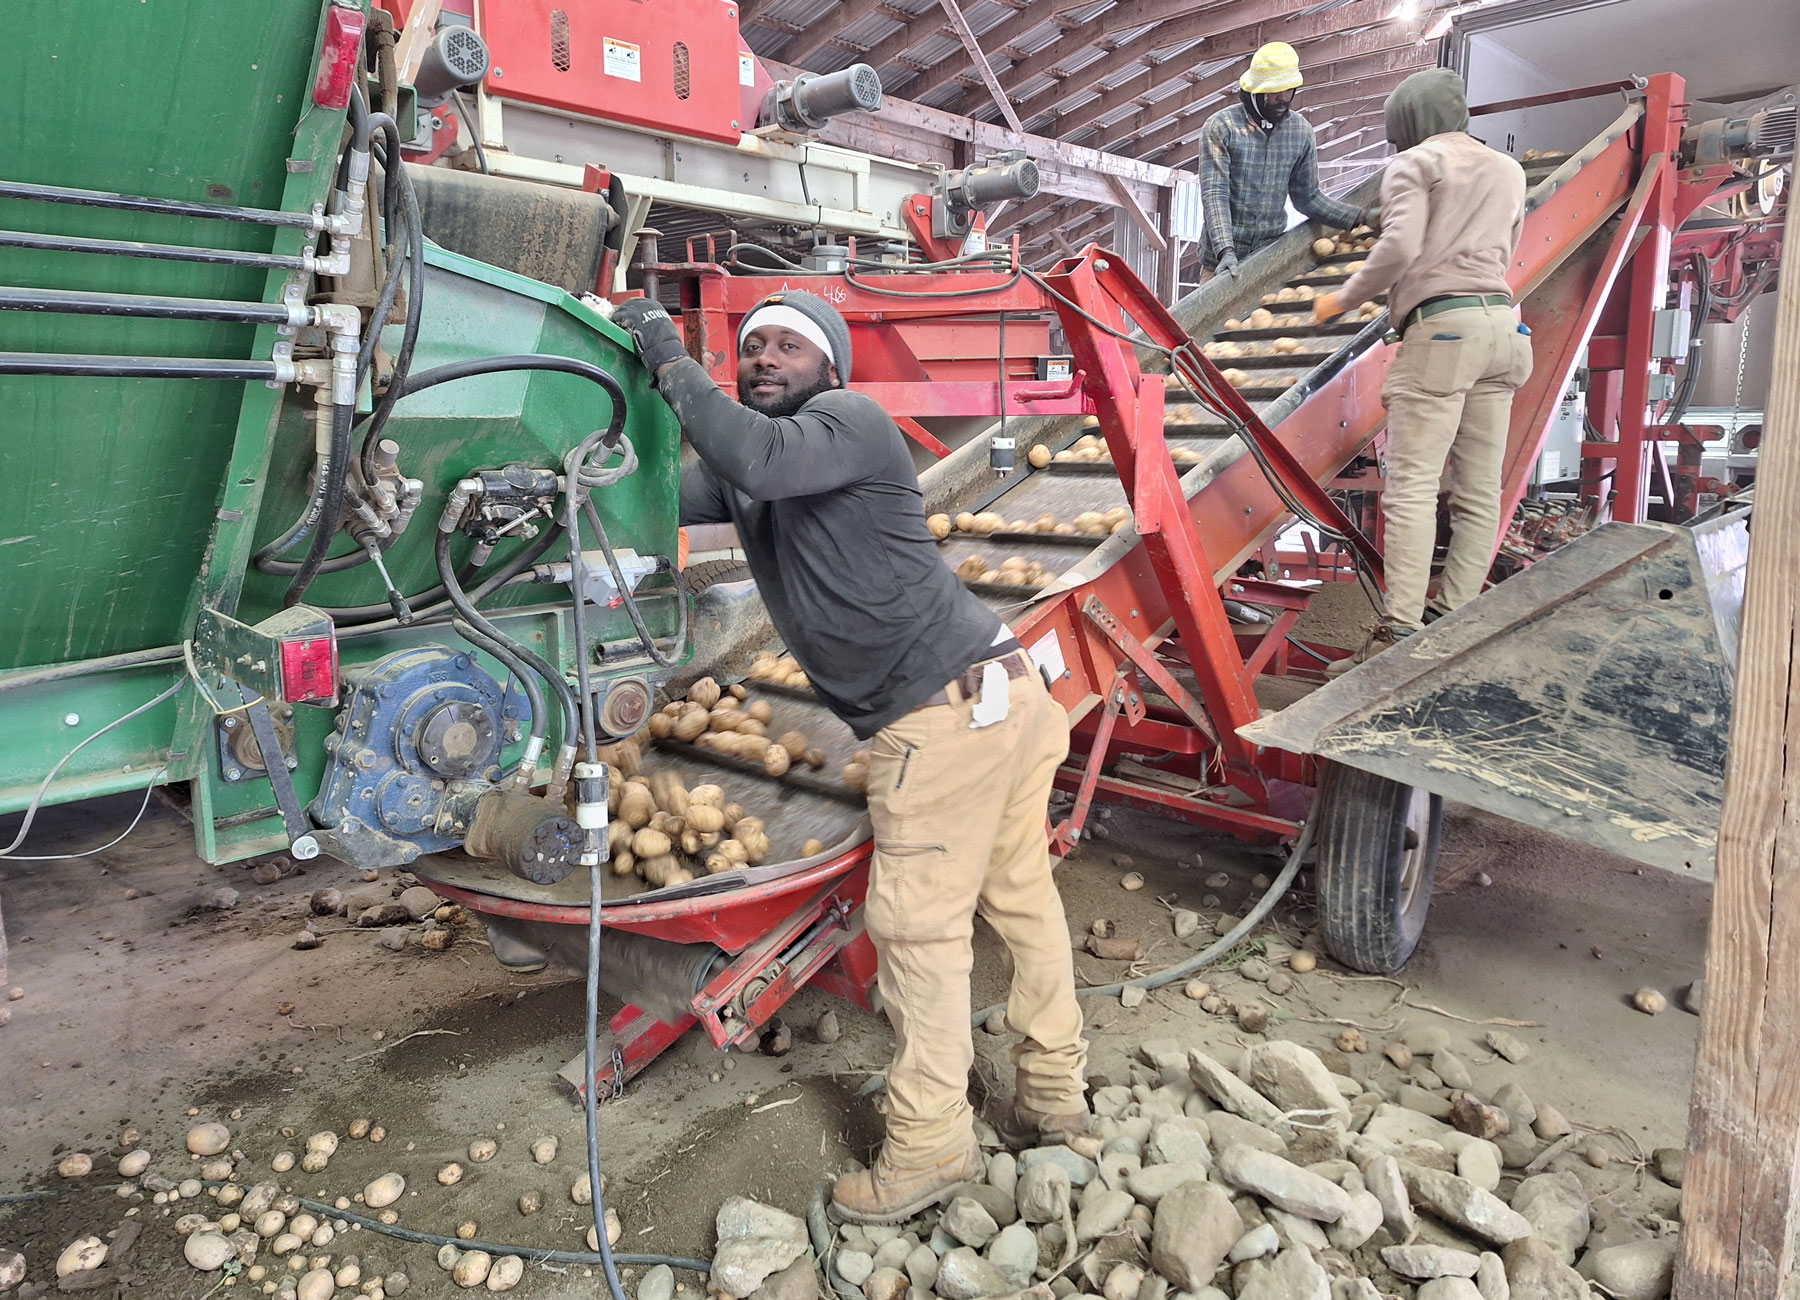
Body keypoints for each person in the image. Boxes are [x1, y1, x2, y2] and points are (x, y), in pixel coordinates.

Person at [610, 289, 1089, 1222]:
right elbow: (662, 484)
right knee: (1020, 898)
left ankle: (930, 1146)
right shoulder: (760, 468)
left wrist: (665, 349)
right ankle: (1054, 1093)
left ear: (829, 364)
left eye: (788, 344)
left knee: (918, 933)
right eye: (752, 349)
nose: (765, 359)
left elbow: (749, 447)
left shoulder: (849, 422)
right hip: (995, 699)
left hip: (945, 714)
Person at [1313, 68, 1532, 671]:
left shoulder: (1415, 164)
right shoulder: (1508, 169)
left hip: (1443, 332)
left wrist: (1346, 296)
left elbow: (1401, 246)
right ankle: (1455, 619)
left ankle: (1399, 631)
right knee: (1479, 490)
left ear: (1406, 125)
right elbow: (1510, 247)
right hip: (1503, 329)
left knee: (1411, 490)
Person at [1199, 42, 1373, 278]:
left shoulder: (1300, 132)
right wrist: (1225, 250)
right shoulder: (1222, 127)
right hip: (1219, 264)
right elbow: (1215, 194)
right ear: (1256, 91)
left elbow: (1308, 198)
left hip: (1266, 258)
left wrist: (1359, 217)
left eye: (1288, 89)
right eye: (1274, 91)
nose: (1283, 98)